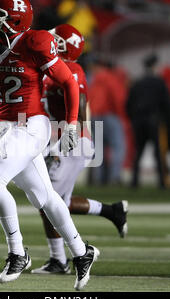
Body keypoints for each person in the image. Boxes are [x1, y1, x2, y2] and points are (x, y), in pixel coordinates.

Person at [0, 0, 99, 291]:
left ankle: (17, 252)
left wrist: (71, 125)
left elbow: (68, 81)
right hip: (8, 128)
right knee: (45, 198)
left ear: (16, 20)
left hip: (32, 125)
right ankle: (83, 253)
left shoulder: (34, 42)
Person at [31, 24, 128, 275]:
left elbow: (80, 101)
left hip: (70, 140)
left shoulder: (71, 69)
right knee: (58, 201)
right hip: (58, 138)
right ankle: (112, 211)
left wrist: (75, 136)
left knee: (46, 199)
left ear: (62, 46)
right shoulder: (50, 67)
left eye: (54, 40)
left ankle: (63, 258)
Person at [126, 54, 170, 189]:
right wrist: (166, 121)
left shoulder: (137, 82)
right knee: (158, 152)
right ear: (154, 66)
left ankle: (134, 182)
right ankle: (162, 183)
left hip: (138, 120)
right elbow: (167, 103)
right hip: (154, 120)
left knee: (138, 152)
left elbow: (128, 103)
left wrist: (133, 118)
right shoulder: (159, 82)